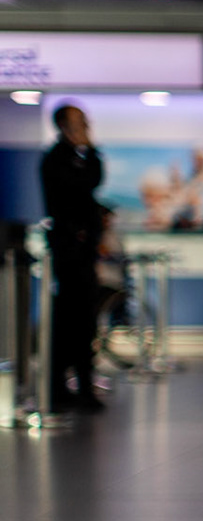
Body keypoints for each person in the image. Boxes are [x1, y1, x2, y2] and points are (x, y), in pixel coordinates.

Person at [39, 100, 106, 411]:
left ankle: (80, 384)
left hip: (83, 252)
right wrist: (88, 151)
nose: (85, 128)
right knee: (71, 321)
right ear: (65, 126)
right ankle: (61, 386)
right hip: (69, 255)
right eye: (79, 122)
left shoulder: (78, 159)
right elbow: (82, 187)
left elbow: (93, 181)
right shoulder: (55, 161)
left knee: (83, 321)